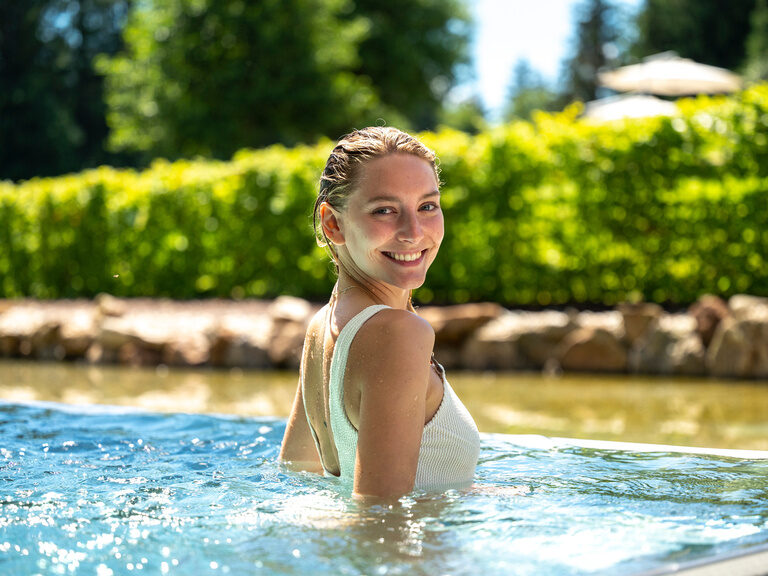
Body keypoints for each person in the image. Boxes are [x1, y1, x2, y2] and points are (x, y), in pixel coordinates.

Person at [279, 127, 479, 498]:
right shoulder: (398, 333)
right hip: (411, 558)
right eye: (384, 210)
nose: (413, 232)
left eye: (427, 206)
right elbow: (380, 519)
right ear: (332, 224)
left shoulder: (323, 325)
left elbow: (296, 478)